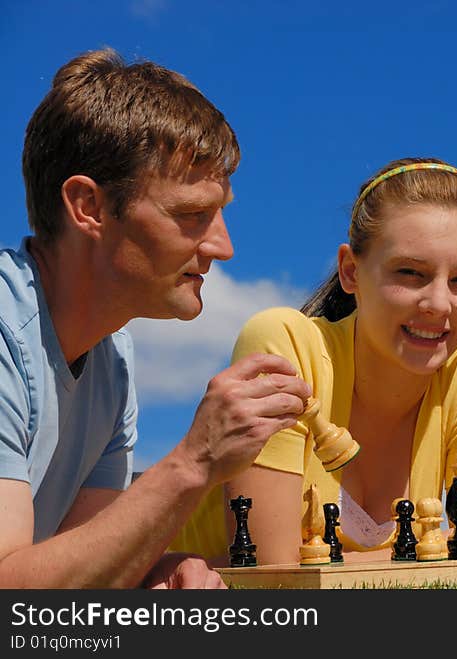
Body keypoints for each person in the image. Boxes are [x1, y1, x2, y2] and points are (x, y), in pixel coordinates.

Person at [0, 48, 310, 588]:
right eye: (191, 215)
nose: (223, 246)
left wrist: (152, 571)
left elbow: (71, 571)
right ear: (89, 207)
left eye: (220, 214)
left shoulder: (111, 355)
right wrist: (194, 462)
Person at [171, 157, 457, 564]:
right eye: (410, 273)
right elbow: (278, 578)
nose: (438, 304)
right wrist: (432, 564)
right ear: (350, 271)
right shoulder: (285, 344)